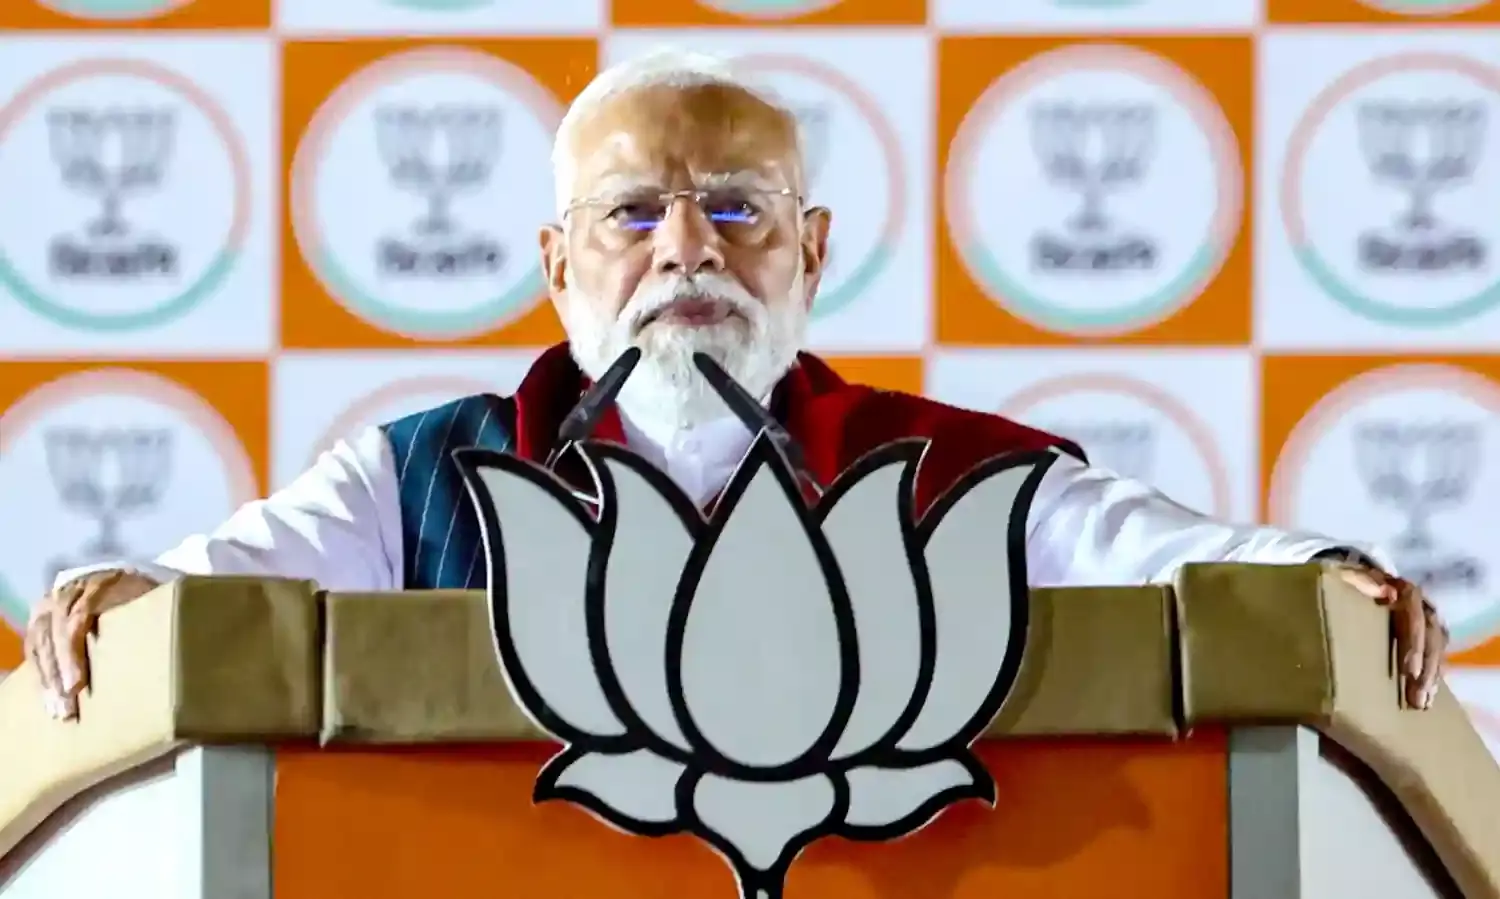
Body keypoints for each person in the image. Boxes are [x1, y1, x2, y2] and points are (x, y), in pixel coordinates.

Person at [25, 48, 1447, 722]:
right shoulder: (414, 480)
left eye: (736, 208)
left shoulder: (949, 468)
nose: (688, 248)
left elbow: (1155, 550)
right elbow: (221, 588)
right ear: (557, 264)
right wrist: (126, 595)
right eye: (633, 213)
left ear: (810, 252)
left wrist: (1320, 573)